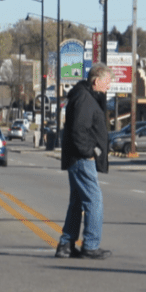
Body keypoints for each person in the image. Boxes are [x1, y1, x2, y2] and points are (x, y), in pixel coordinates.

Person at [55, 63, 112, 259]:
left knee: (77, 202)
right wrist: (90, 152)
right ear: (96, 81)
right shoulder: (85, 99)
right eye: (107, 82)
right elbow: (79, 131)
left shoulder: (85, 97)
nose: (109, 86)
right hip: (81, 158)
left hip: (77, 157)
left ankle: (66, 245)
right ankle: (90, 245)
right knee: (94, 201)